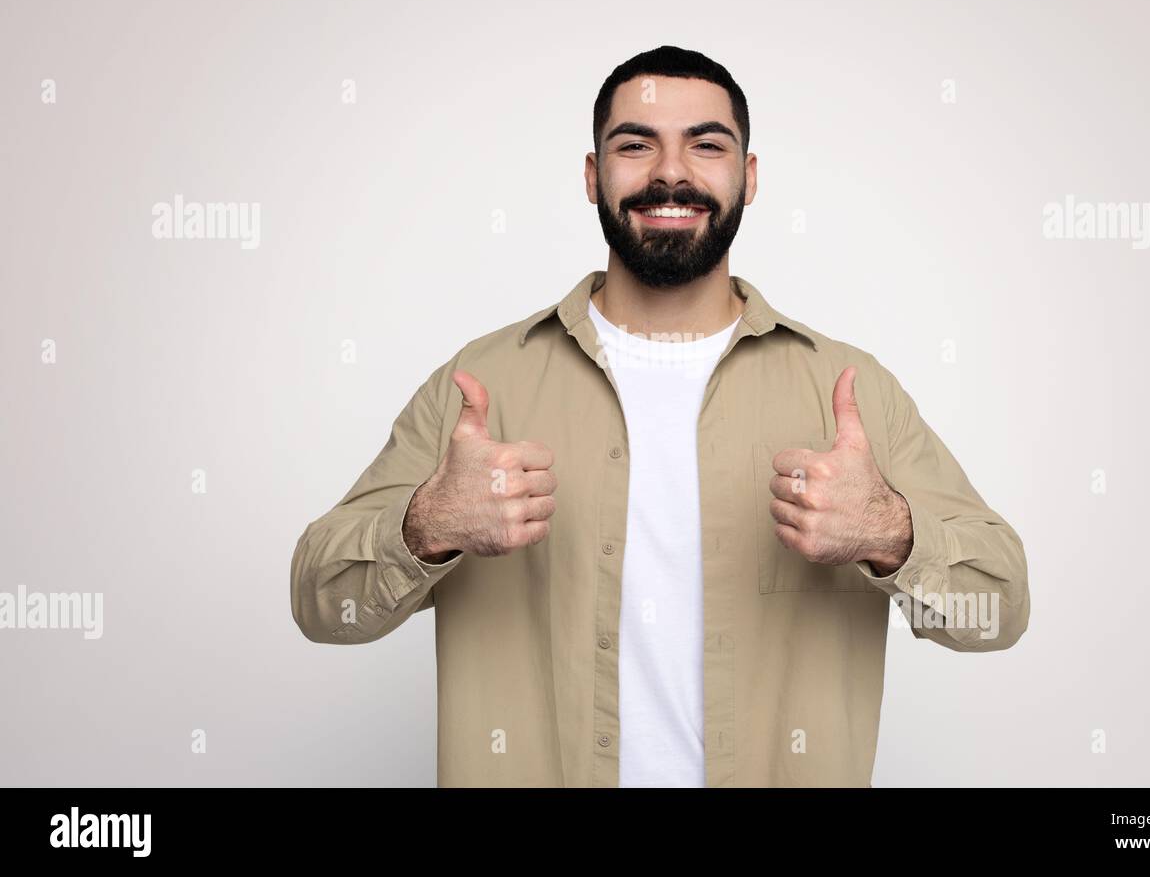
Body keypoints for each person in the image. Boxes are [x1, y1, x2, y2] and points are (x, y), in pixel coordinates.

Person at [290, 45, 1030, 787]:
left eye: (706, 145)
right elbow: (322, 605)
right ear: (592, 176)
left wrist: (890, 534)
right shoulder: (479, 387)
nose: (670, 173)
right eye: (636, 144)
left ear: (749, 175)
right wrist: (426, 526)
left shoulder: (849, 391)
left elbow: (998, 609)